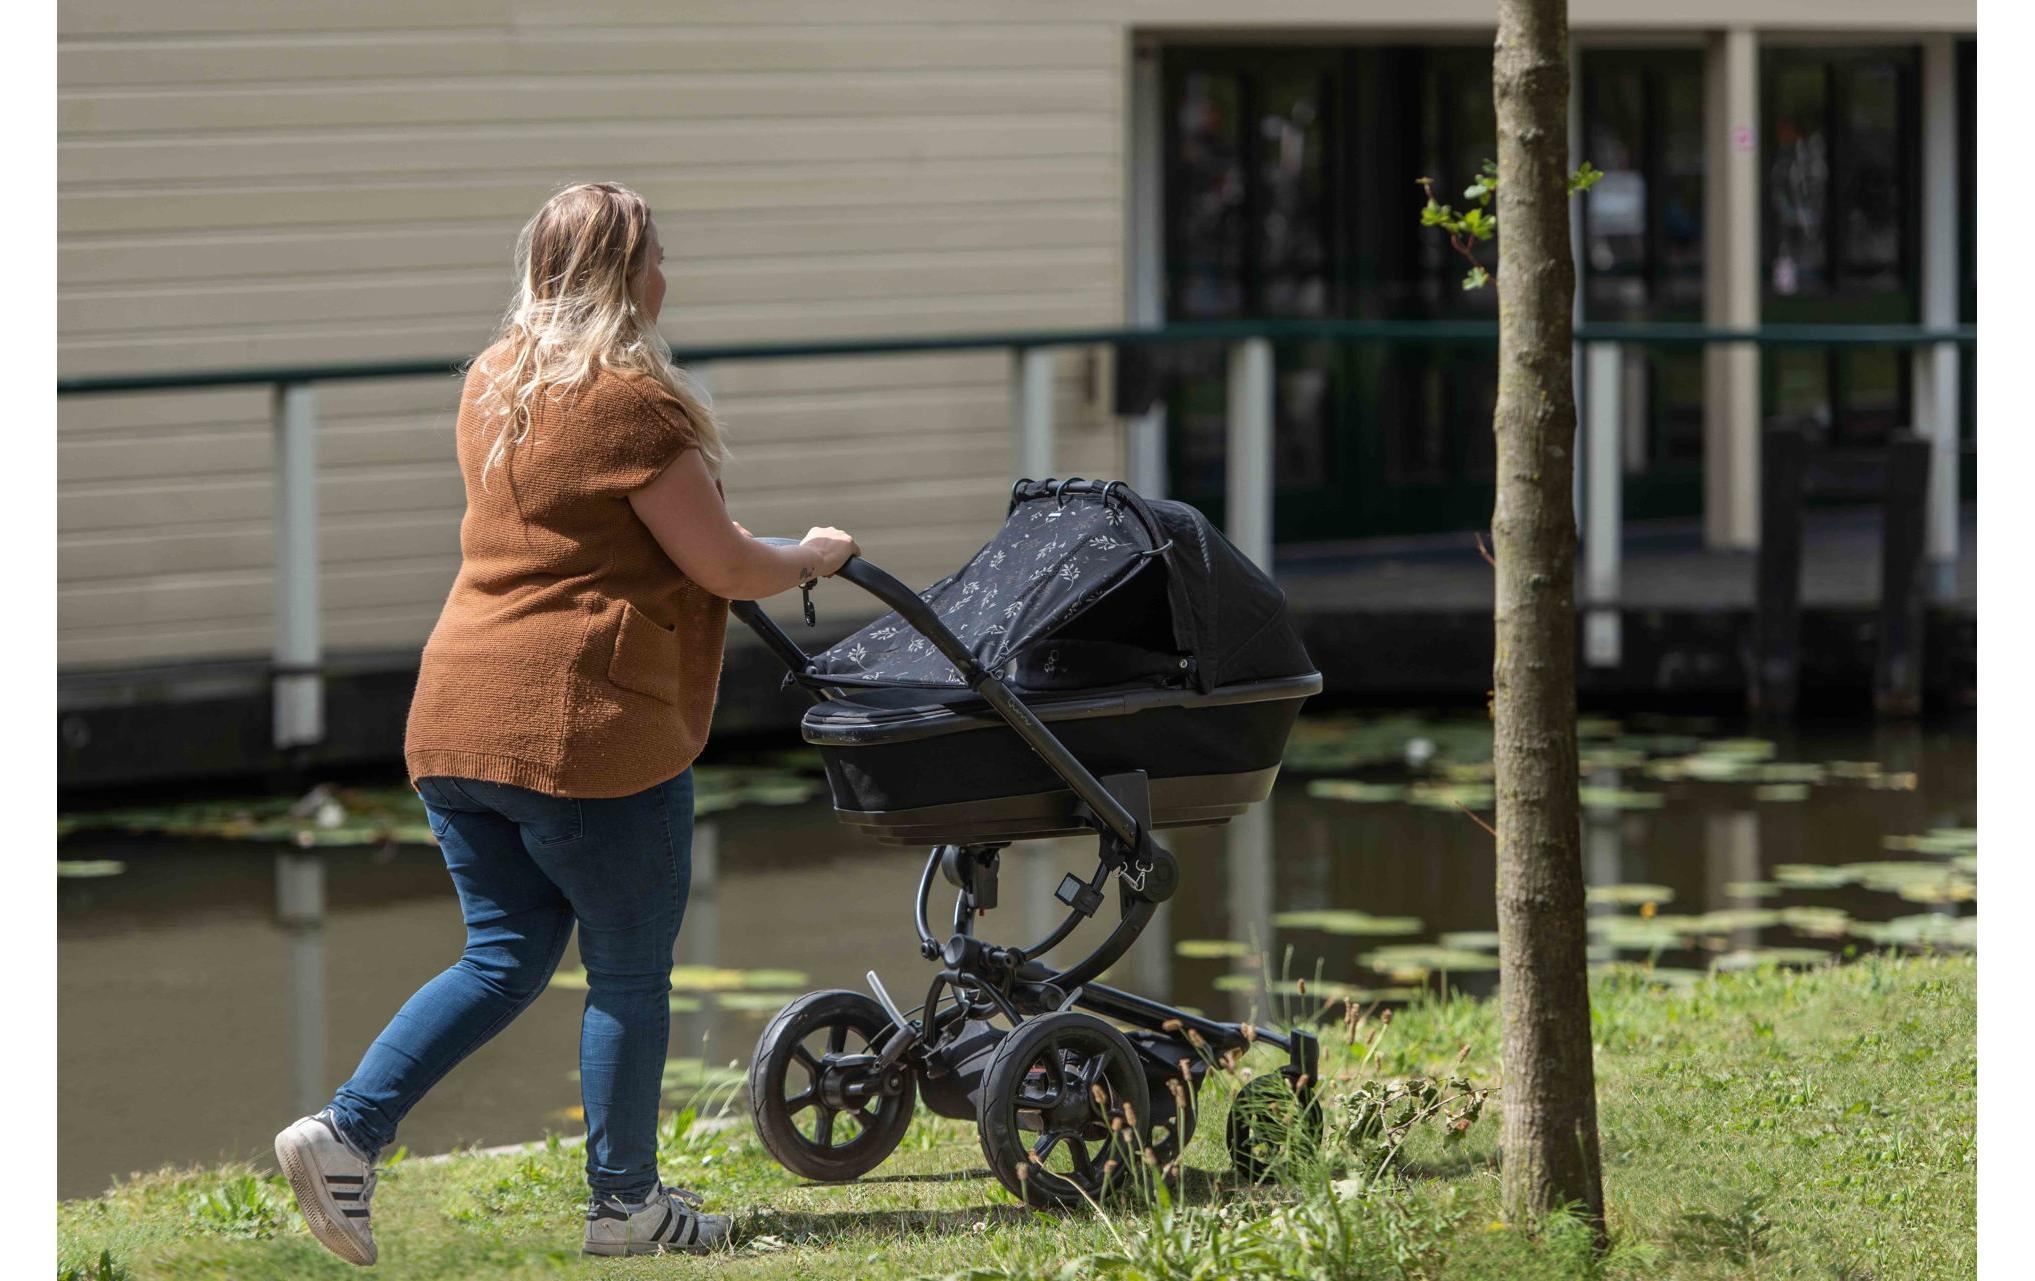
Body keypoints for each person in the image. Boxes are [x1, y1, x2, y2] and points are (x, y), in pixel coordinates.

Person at [272, 182, 857, 1264]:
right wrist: (813, 557)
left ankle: (345, 1134)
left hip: (456, 716)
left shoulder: (494, 383)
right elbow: (723, 563)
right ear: (627, 273)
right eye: (657, 256)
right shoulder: (630, 402)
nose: (667, 275)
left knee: (501, 956)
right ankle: (626, 1205)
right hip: (581, 726)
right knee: (630, 968)